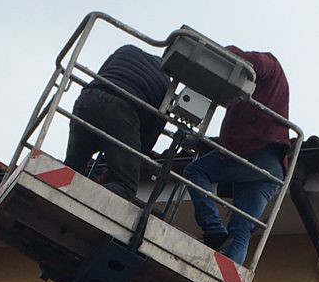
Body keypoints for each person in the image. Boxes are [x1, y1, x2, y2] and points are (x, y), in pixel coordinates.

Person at [184, 49, 290, 266]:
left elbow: (253, 63)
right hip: (272, 168)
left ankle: (213, 230)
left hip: (256, 153)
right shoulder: (244, 96)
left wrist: (221, 56)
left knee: (196, 171)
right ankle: (225, 276)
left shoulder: (268, 66)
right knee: (241, 230)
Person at [67, 44, 170, 202]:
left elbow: (100, 76)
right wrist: (117, 167)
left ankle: (57, 185)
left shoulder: (127, 49)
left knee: (72, 168)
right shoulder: (167, 85)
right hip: (122, 112)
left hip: (89, 98)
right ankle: (83, 199)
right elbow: (146, 141)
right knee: (126, 187)